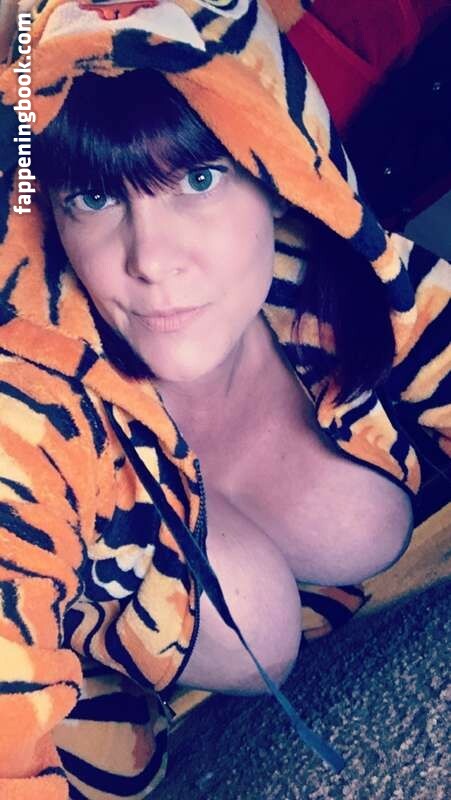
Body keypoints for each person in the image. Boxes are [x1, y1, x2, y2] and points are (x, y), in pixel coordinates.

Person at [0, 1, 449, 797]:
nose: (150, 260)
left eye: (198, 179)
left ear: (274, 173)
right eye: (93, 199)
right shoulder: (31, 420)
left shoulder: (357, 288)